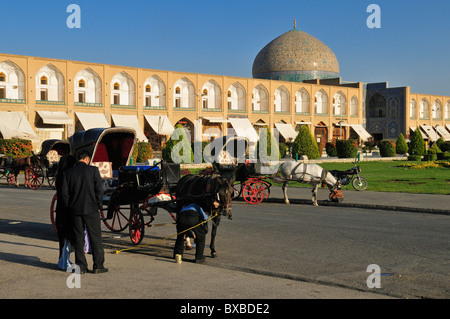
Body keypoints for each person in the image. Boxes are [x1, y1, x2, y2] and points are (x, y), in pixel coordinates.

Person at [60, 150, 107, 274]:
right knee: (95, 237)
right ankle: (98, 265)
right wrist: (99, 205)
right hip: (91, 209)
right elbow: (99, 190)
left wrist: (70, 208)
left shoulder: (68, 173)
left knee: (78, 238)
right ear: (87, 159)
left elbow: (64, 195)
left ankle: (81, 266)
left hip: (75, 210)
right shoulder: (93, 171)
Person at [55, 154, 77, 270]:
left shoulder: (60, 175)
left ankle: (63, 259)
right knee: (67, 238)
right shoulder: (66, 175)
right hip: (66, 210)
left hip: (61, 210)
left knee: (63, 238)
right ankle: (64, 261)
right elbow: (65, 195)